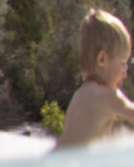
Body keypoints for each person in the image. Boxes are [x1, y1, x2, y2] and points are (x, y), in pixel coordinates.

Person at [57, 8, 134, 149]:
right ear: (102, 59)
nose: (125, 73)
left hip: (59, 162)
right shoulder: (108, 96)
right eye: (123, 64)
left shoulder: (80, 94)